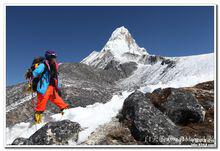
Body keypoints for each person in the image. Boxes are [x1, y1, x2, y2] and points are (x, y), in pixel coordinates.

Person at [32, 50, 68, 124]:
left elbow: (55, 77)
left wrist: (58, 88)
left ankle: (67, 115)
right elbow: (36, 72)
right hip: (44, 88)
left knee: (60, 102)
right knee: (41, 105)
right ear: (48, 57)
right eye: (52, 57)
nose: (54, 58)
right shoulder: (43, 65)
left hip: (52, 88)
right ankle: (37, 121)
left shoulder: (55, 66)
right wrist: (31, 74)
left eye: (55, 57)